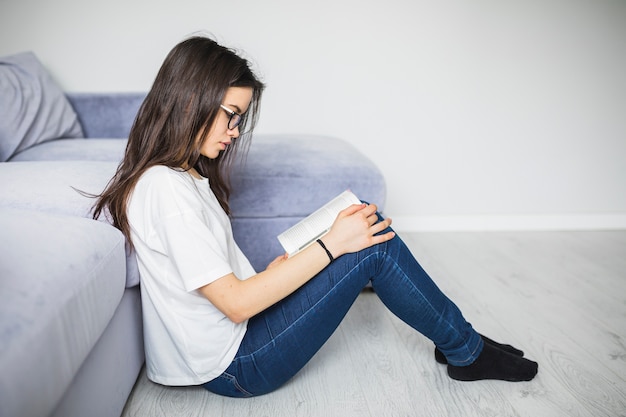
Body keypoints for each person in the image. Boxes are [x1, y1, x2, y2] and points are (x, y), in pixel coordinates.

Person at [92, 35, 538, 398]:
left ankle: (458, 340)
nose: (234, 131)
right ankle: (465, 349)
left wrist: (279, 268)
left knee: (363, 226)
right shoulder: (166, 188)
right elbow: (236, 304)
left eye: (239, 120)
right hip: (235, 367)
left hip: (236, 342)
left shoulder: (181, 177)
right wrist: (332, 244)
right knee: (370, 247)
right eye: (231, 115)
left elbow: (222, 286)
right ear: (190, 101)